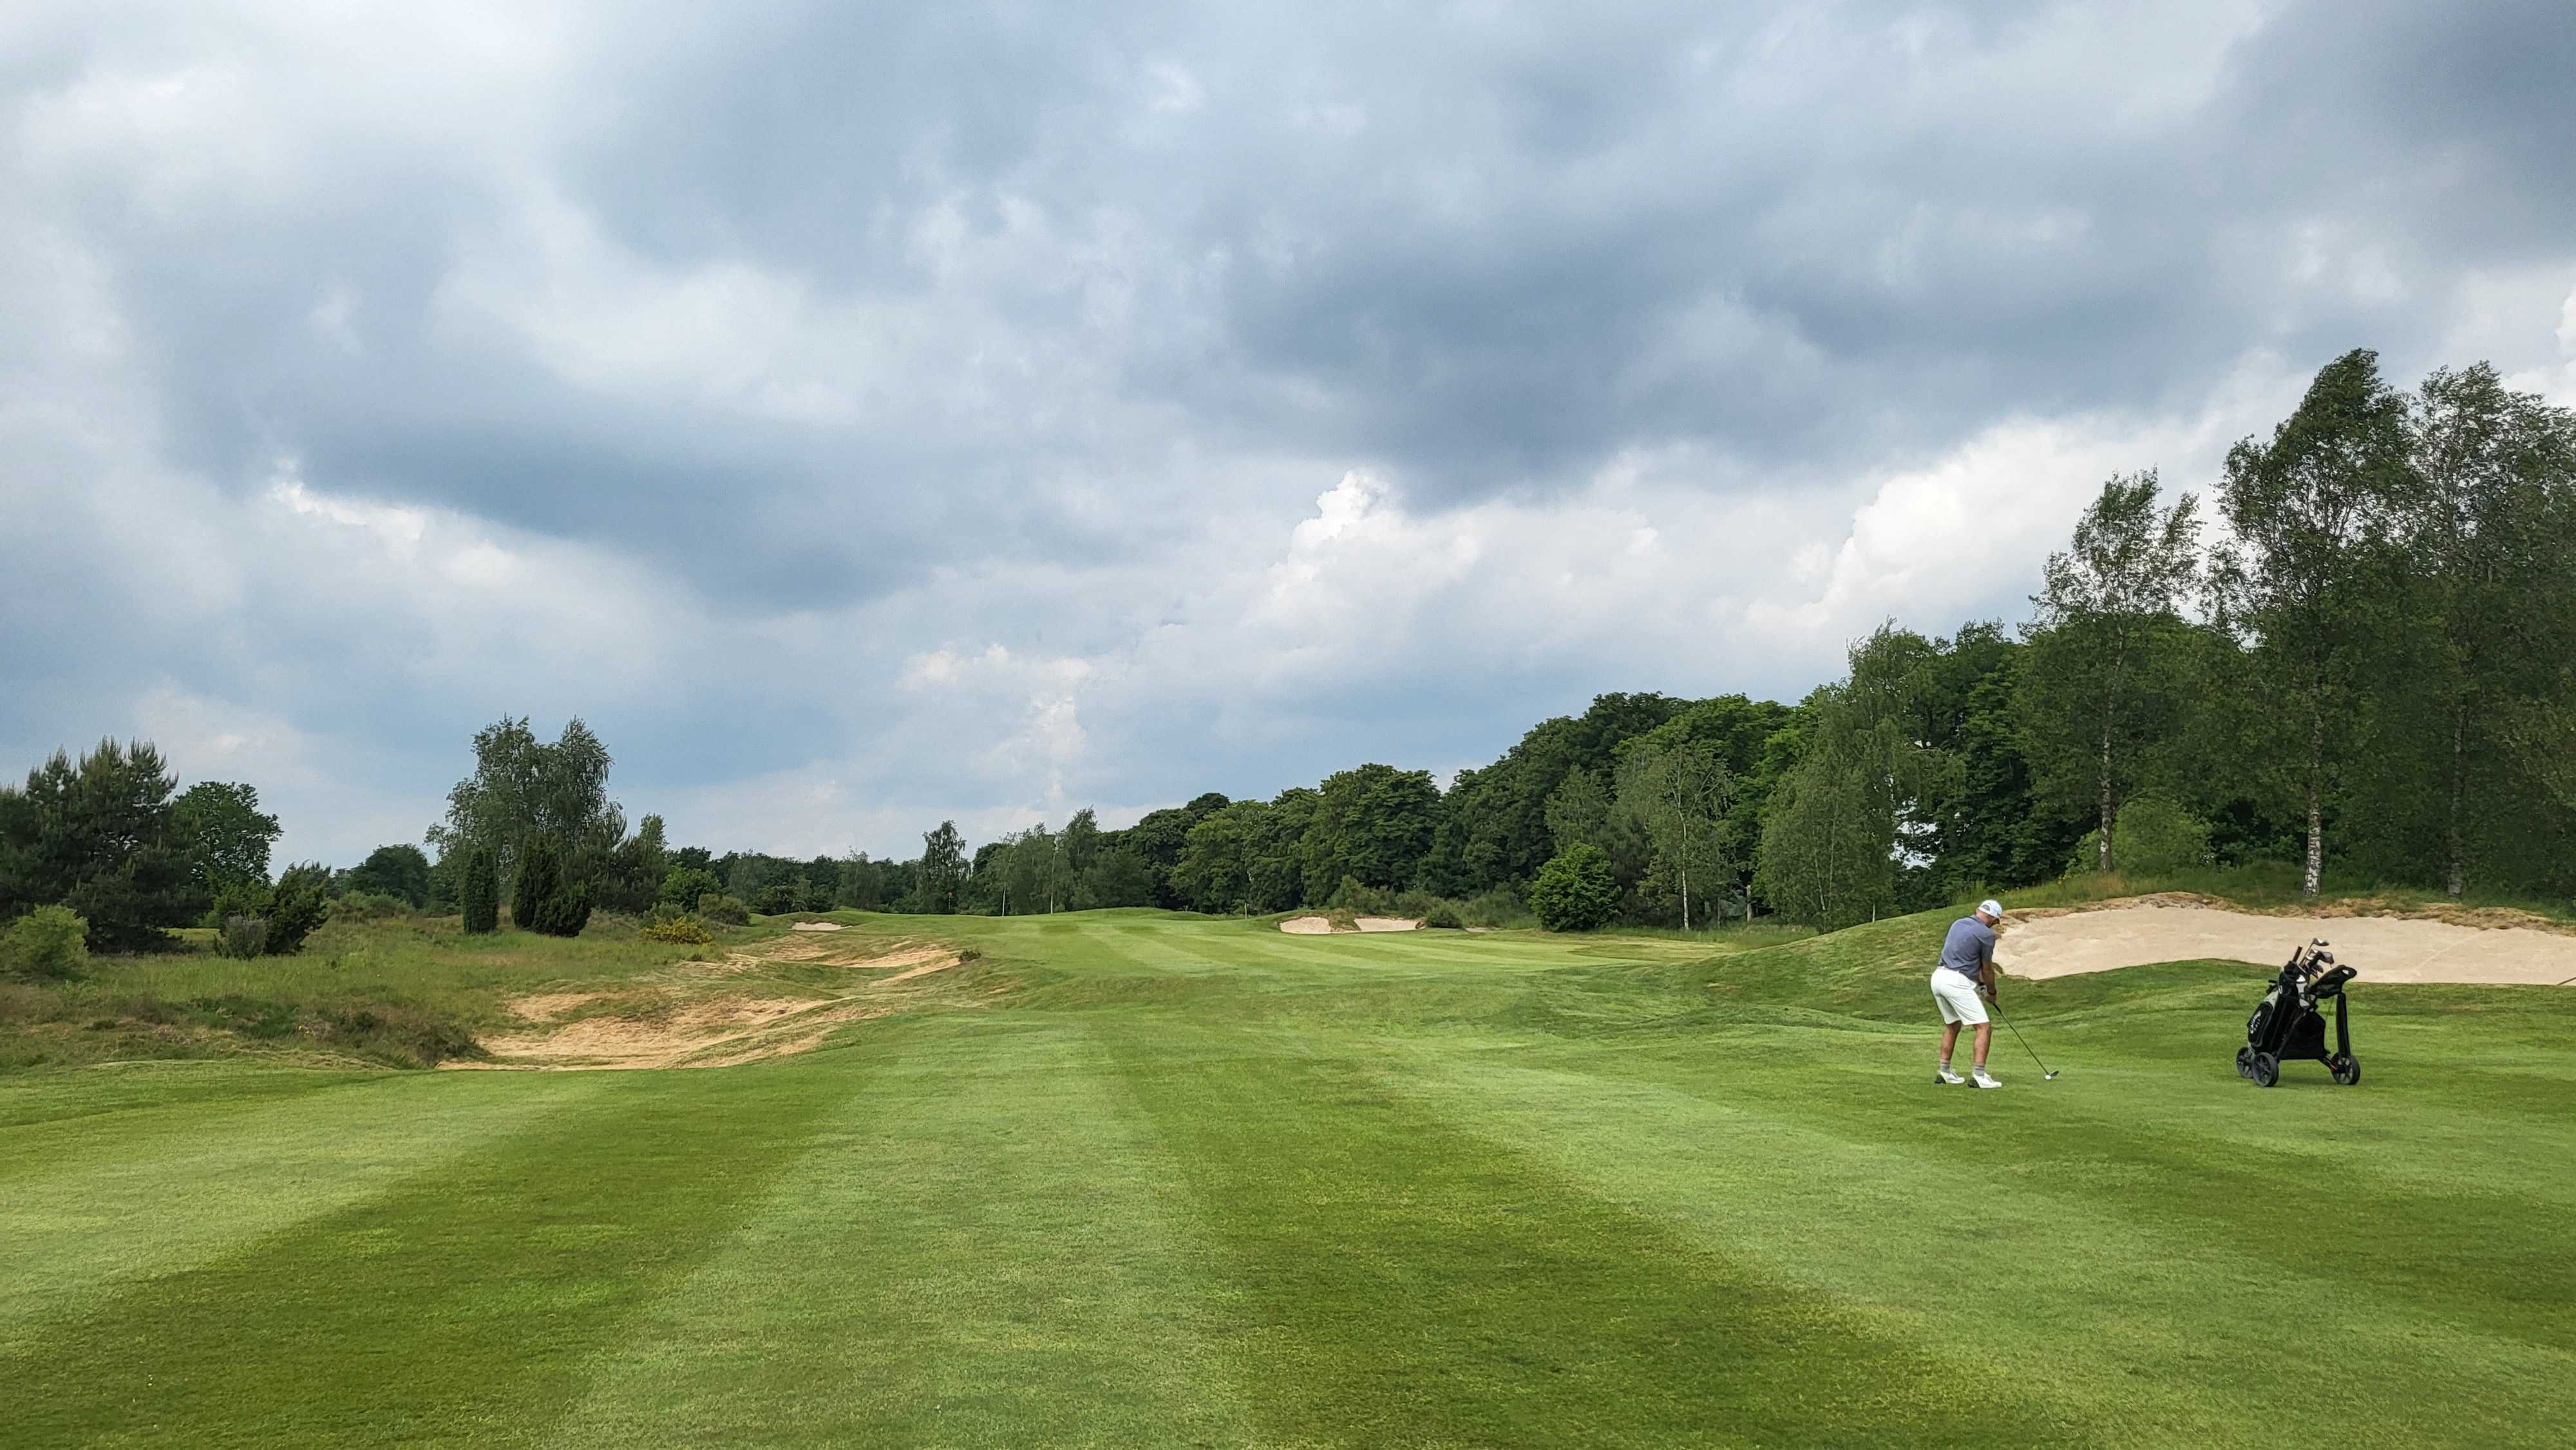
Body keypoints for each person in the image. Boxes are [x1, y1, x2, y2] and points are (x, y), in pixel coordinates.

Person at [1931, 899, 2005, 1088]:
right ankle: (1980, 1076)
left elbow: (1966, 959)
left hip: (1938, 977)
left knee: (1953, 1025)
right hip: (1956, 982)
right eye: (1995, 921)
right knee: (1984, 1027)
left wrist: (1980, 985)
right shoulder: (1986, 935)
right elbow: (1986, 969)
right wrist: (1991, 992)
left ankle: (1944, 1072)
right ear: (1990, 917)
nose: (1994, 925)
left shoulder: (1958, 923)